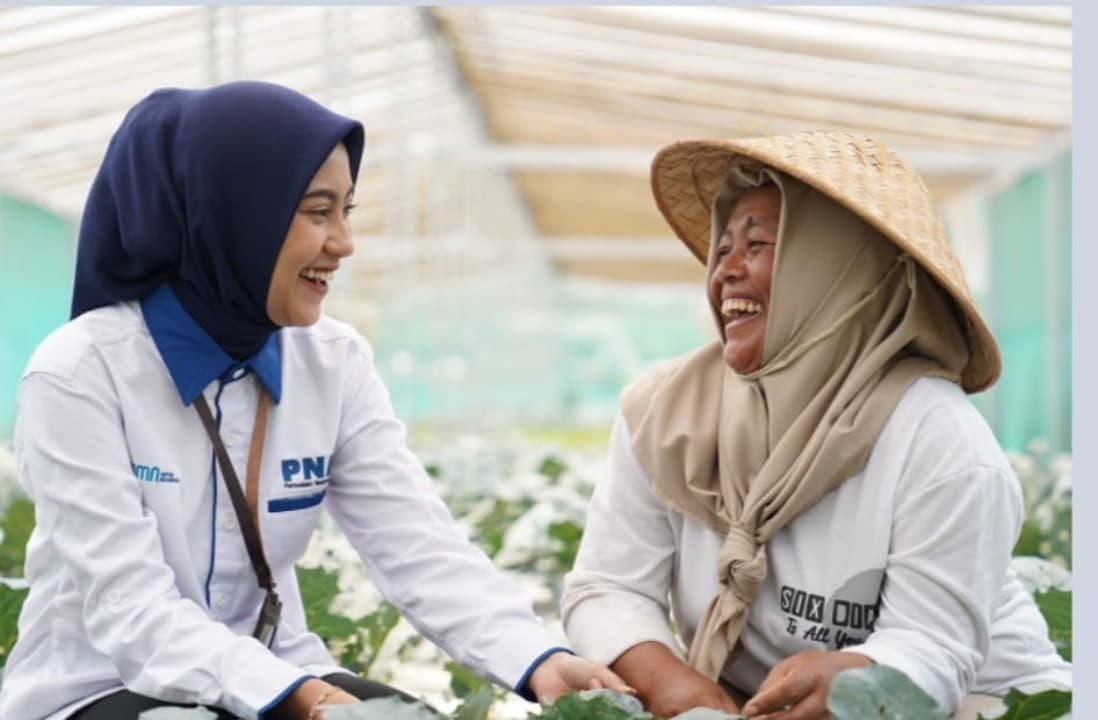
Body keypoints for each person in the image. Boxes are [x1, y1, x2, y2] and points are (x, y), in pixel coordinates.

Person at [0, 81, 631, 720]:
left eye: (347, 210)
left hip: (283, 665)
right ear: (235, 214)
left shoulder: (334, 362)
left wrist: (537, 659)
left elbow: (415, 543)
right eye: (316, 211)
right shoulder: (79, 374)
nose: (344, 242)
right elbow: (130, 610)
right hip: (101, 685)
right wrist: (299, 698)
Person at [561, 131, 1071, 720]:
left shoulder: (939, 439)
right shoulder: (663, 413)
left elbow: (933, 647)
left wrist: (860, 679)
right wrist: (678, 688)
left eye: (758, 245)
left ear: (837, 273)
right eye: (722, 247)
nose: (725, 270)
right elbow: (607, 586)